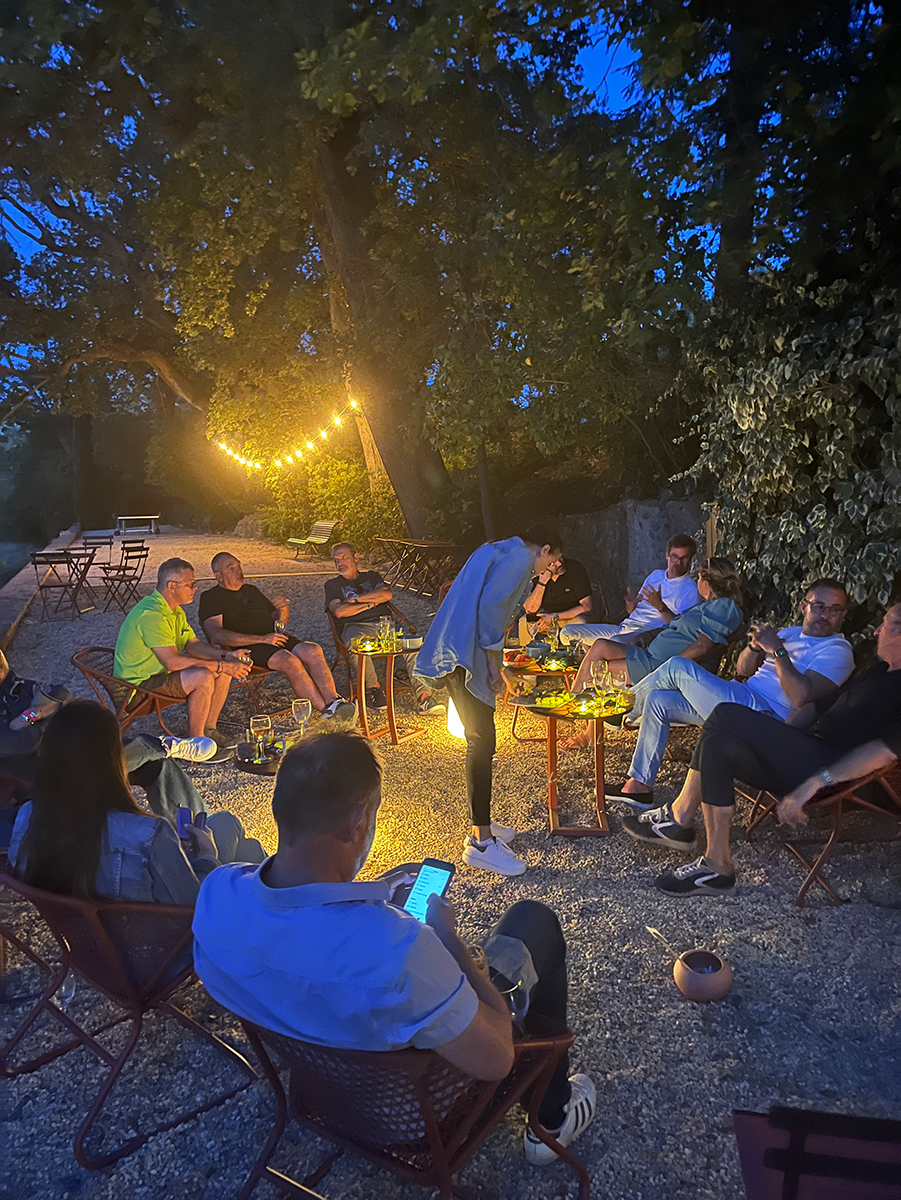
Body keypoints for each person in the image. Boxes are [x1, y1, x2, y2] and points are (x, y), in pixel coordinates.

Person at [192, 732, 596, 1165]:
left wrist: (374, 893)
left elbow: (300, 928)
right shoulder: (399, 949)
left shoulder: (217, 897)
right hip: (416, 1117)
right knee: (534, 921)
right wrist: (450, 942)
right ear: (357, 821)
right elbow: (497, 1058)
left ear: (278, 808)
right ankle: (550, 1117)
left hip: (322, 1095)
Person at [627, 604, 901, 897]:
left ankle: (680, 818)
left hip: (826, 767)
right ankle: (716, 866)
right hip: (804, 750)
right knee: (718, 744)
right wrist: (782, 738)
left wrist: (813, 783)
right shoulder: (878, 671)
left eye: (888, 623)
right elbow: (815, 707)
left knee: (724, 714)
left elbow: (884, 752)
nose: (876, 630)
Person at [610, 578, 856, 809]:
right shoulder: (789, 633)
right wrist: (754, 646)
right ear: (804, 606)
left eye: (834, 609)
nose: (825, 614)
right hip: (742, 696)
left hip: (764, 719)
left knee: (677, 666)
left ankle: (619, 708)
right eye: (819, 606)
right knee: (658, 700)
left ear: (843, 615)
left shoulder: (838, 651)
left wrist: (778, 650)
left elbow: (801, 696)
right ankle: (639, 787)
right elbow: (743, 670)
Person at [9, 701, 265, 905]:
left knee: (242, 843)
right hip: (168, 953)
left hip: (97, 950)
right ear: (113, 760)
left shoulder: (27, 819)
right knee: (234, 833)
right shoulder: (148, 833)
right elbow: (196, 904)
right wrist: (208, 856)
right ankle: (281, 912)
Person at [415, 526, 563, 876]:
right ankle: (481, 842)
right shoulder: (518, 559)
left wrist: (503, 671)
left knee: (481, 740)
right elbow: (492, 612)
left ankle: (484, 825)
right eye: (550, 563)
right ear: (543, 550)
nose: (547, 571)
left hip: (458, 648)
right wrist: (496, 667)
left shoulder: (499, 550)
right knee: (481, 742)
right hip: (463, 654)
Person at [562, 558, 744, 751]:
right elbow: (682, 628)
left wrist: (668, 669)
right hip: (649, 654)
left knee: (598, 670)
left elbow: (702, 647)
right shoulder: (707, 606)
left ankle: (587, 729)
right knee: (599, 646)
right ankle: (573, 705)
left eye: (698, 578)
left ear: (705, 583)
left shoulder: (725, 607)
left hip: (659, 664)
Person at [114, 557, 251, 758]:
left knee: (221, 670)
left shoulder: (174, 611)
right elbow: (173, 661)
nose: (195, 588)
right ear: (172, 586)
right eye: (190, 584)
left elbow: (193, 645)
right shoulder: (152, 614)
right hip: (137, 690)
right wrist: (221, 665)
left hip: (155, 678)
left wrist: (227, 655)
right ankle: (197, 748)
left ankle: (208, 732)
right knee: (203, 675)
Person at [200, 552, 355, 724]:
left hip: (273, 638)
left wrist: (283, 609)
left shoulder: (251, 590)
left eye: (239, 566)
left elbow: (278, 622)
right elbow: (216, 635)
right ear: (218, 576)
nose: (239, 571)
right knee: (289, 660)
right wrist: (262, 639)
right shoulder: (211, 597)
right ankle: (328, 711)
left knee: (313, 650)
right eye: (231, 568)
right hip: (247, 647)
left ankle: (334, 701)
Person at [325, 543, 444, 716]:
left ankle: (424, 697)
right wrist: (372, 602)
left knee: (413, 645)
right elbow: (340, 611)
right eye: (336, 560)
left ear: (356, 557)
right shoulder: (333, 585)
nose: (340, 563)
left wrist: (356, 600)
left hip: (385, 624)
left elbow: (387, 595)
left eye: (344, 558)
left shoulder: (372, 577)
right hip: (356, 627)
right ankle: (375, 689)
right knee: (356, 645)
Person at [560, 534, 700, 648]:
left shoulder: (690, 589)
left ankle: (595, 666)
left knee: (612, 644)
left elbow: (682, 628)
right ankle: (594, 663)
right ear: (667, 555)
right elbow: (634, 609)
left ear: (691, 559)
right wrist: (631, 606)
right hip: (624, 628)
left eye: (684, 558)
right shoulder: (656, 575)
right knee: (567, 632)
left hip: (646, 635)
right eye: (675, 556)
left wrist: (660, 606)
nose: (678, 562)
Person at [521, 555, 592, 639]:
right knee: (524, 623)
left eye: (560, 557)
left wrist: (554, 617)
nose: (559, 563)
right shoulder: (534, 574)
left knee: (580, 622)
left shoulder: (574, 569)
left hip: (568, 617)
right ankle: (528, 651)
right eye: (552, 563)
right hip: (543, 618)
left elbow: (587, 607)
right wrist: (542, 581)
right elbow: (530, 609)